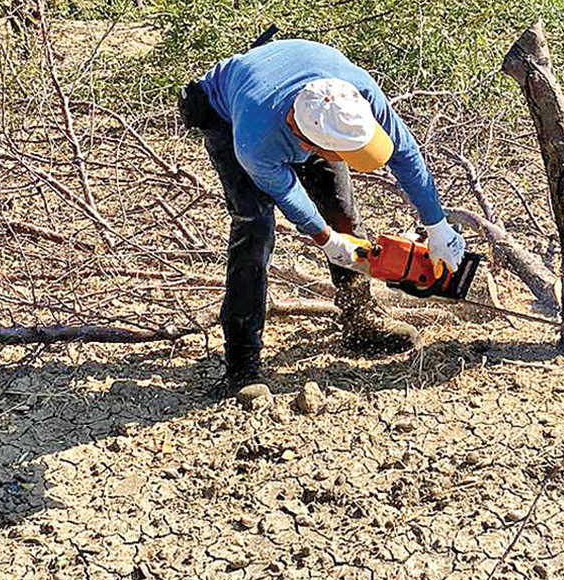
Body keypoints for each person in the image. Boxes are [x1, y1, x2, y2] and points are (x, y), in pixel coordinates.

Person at [179, 39, 466, 397]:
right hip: (228, 113)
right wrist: (327, 240)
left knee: (343, 213)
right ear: (310, 145)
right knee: (255, 230)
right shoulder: (255, 143)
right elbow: (289, 195)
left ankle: (361, 320)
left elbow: (405, 153)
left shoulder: (356, 93)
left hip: (300, 96)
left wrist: (437, 226)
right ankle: (242, 364)